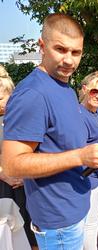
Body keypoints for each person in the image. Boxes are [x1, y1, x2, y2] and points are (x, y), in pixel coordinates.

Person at [1, 13, 98, 249]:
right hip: (58, 221)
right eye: (60, 49)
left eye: (76, 52)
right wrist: (80, 156)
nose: (69, 60)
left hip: (76, 204)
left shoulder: (64, 86)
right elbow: (12, 164)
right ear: (42, 46)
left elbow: (61, 142)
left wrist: (92, 157)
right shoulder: (32, 94)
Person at [0, 70, 38, 249]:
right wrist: (4, 175)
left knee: (30, 231)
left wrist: (27, 175)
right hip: (5, 188)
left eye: (1, 98)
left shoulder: (21, 119)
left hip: (26, 186)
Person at [78, 71, 98, 250]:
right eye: (94, 91)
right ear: (84, 89)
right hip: (86, 182)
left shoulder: (95, 112)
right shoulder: (80, 115)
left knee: (95, 219)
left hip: (96, 178)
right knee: (89, 226)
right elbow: (77, 154)